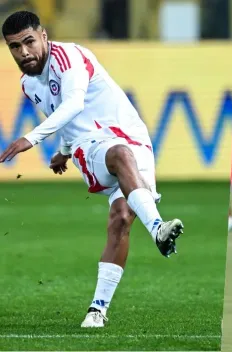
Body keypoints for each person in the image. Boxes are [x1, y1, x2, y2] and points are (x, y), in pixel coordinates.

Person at [0, 11, 184, 328]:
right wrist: (65, 150)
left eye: (29, 42)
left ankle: (96, 312)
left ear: (43, 35)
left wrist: (34, 139)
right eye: (15, 47)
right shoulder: (30, 83)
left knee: (122, 219)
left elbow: (73, 104)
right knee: (119, 155)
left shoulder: (69, 57)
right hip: (95, 146)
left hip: (135, 138)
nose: (24, 53)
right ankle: (157, 228)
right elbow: (68, 117)